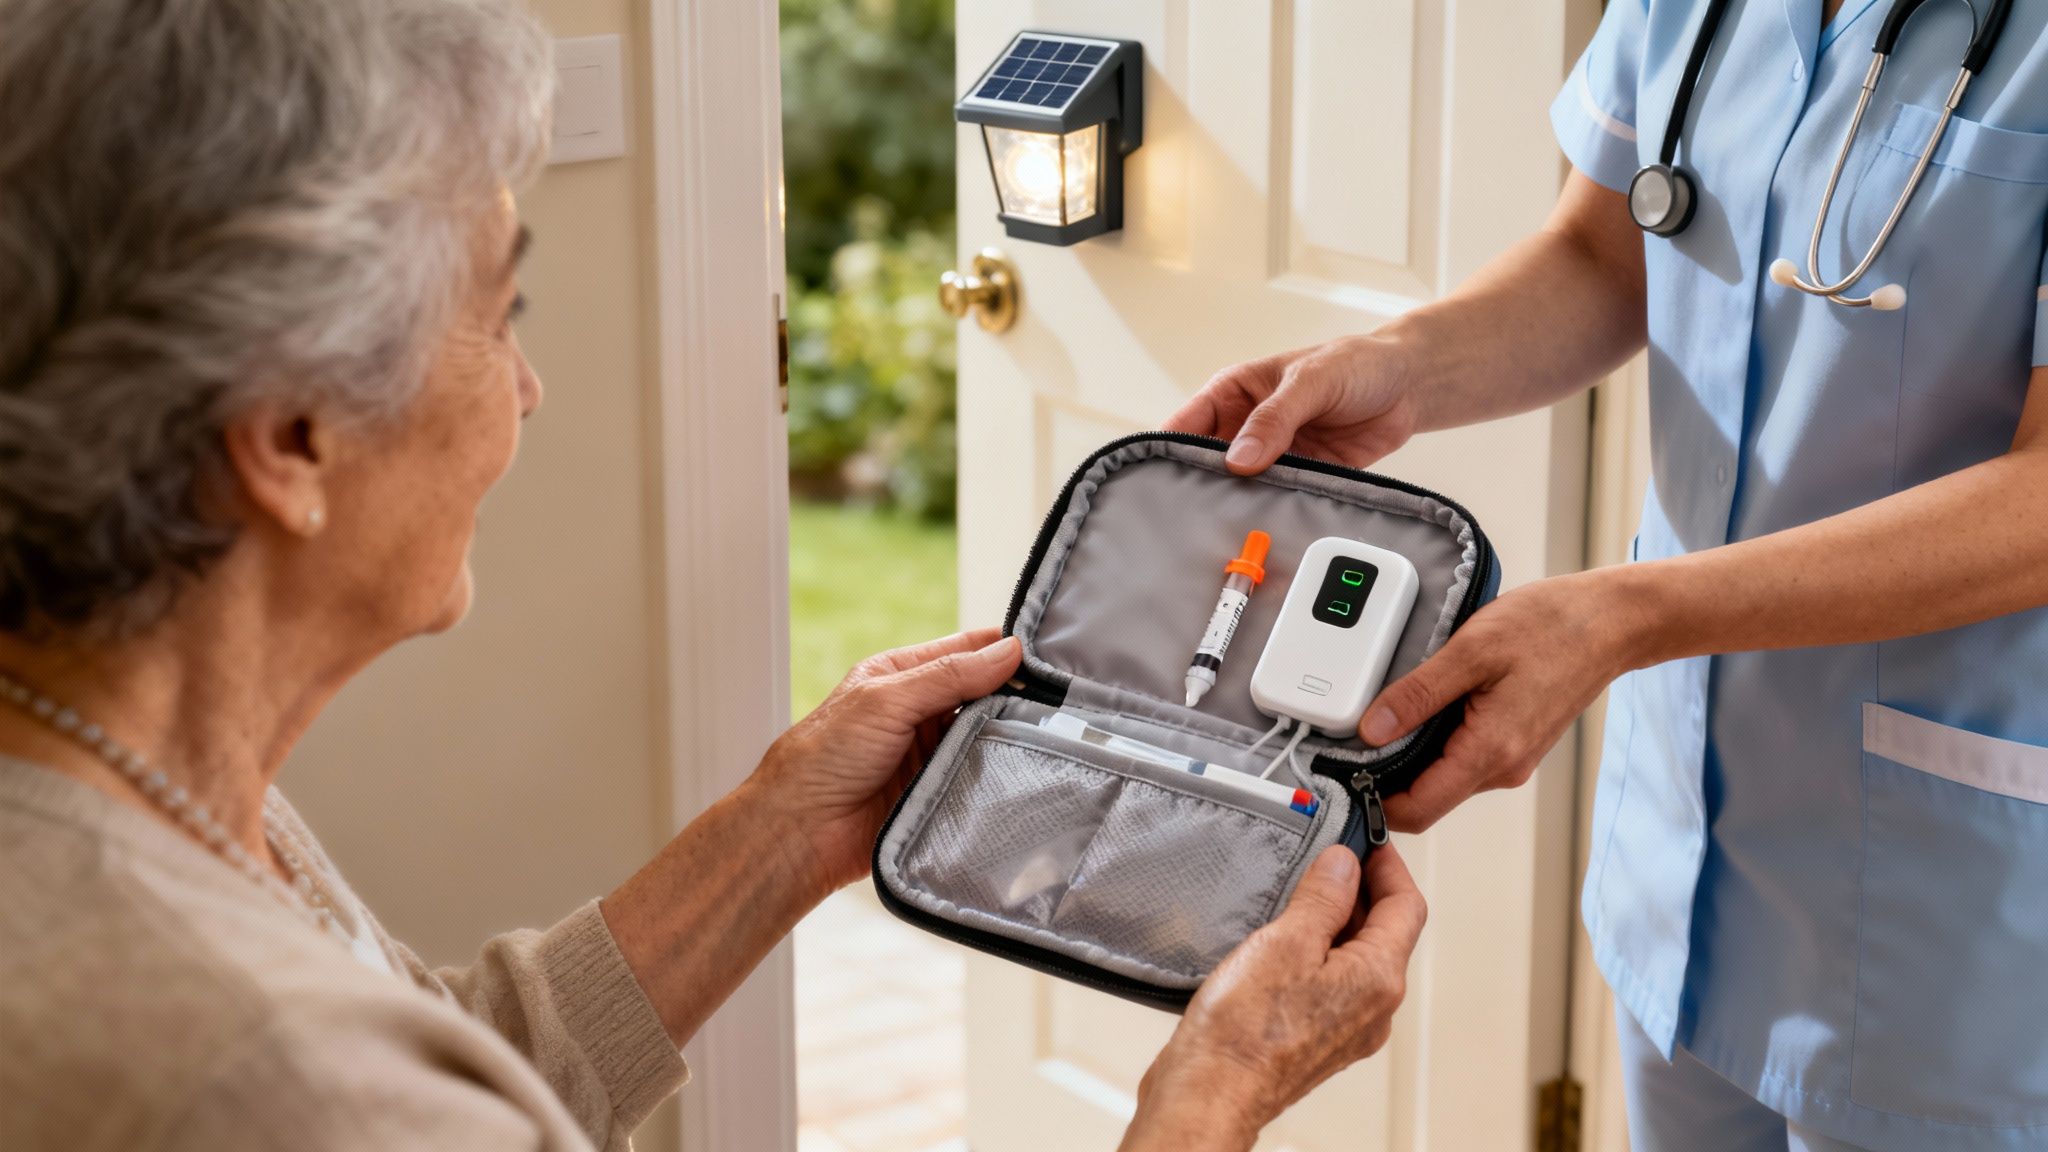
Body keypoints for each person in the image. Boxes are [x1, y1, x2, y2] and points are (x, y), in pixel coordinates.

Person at [0, 1, 1426, 1149]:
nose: (535, 388)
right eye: (503, 315)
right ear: (293, 436)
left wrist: (786, 821)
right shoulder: (252, 1075)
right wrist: (1213, 1097)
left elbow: (438, 1052)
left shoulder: (129, 796)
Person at [1168, 1, 2048, 1150]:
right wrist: (1395, 367)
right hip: (1681, 861)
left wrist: (1622, 616)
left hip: (1954, 920)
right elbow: (1604, 252)